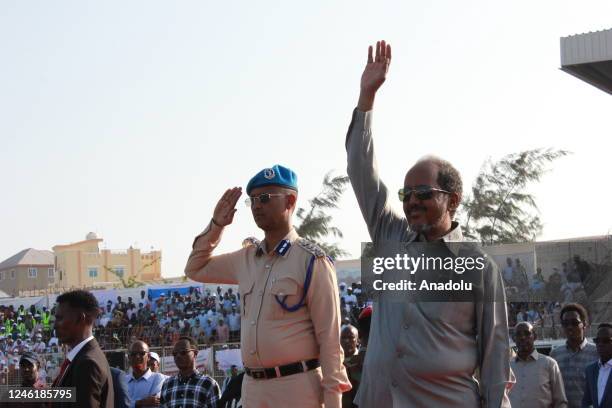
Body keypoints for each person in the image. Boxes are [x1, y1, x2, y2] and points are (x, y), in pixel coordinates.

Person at [345, 40, 512, 407]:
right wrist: (366, 97)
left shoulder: (479, 269)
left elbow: (495, 357)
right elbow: (360, 171)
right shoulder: (390, 237)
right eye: (406, 194)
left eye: (422, 192)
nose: (411, 201)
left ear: (452, 200)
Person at [184, 165, 350, 407]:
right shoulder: (246, 258)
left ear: (290, 201)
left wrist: (333, 402)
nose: (257, 206)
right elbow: (194, 268)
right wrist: (216, 225)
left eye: (265, 198)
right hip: (253, 388)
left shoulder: (312, 260)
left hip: (297, 389)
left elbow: (330, 342)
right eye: (252, 200)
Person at [51, 289, 114, 408]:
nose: (55, 325)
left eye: (59, 318)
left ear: (80, 318)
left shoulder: (88, 363)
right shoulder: (83, 357)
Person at [550, 303, 599, 408]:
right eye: (565, 323)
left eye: (574, 323)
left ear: (584, 324)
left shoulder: (597, 353)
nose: (570, 327)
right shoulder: (555, 355)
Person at [509, 322, 567, 408]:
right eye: (518, 334)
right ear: (514, 338)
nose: (522, 337)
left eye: (527, 333)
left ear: (535, 336)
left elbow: (560, 401)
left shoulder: (549, 364)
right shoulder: (508, 366)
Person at [160, 336, 219, 408]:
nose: (178, 356)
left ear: (195, 353)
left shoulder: (209, 384)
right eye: (175, 354)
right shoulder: (167, 384)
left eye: (183, 352)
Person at [127, 340, 166, 407]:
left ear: (148, 357)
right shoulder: (123, 380)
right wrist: (140, 403)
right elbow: (118, 403)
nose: (137, 357)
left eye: (142, 353)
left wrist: (129, 403)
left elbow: (154, 405)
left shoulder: (158, 379)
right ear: (129, 357)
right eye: (133, 354)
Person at [582, 323, 612, 408]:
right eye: (597, 340)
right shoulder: (590, 370)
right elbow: (586, 401)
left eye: (606, 341)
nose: (600, 344)